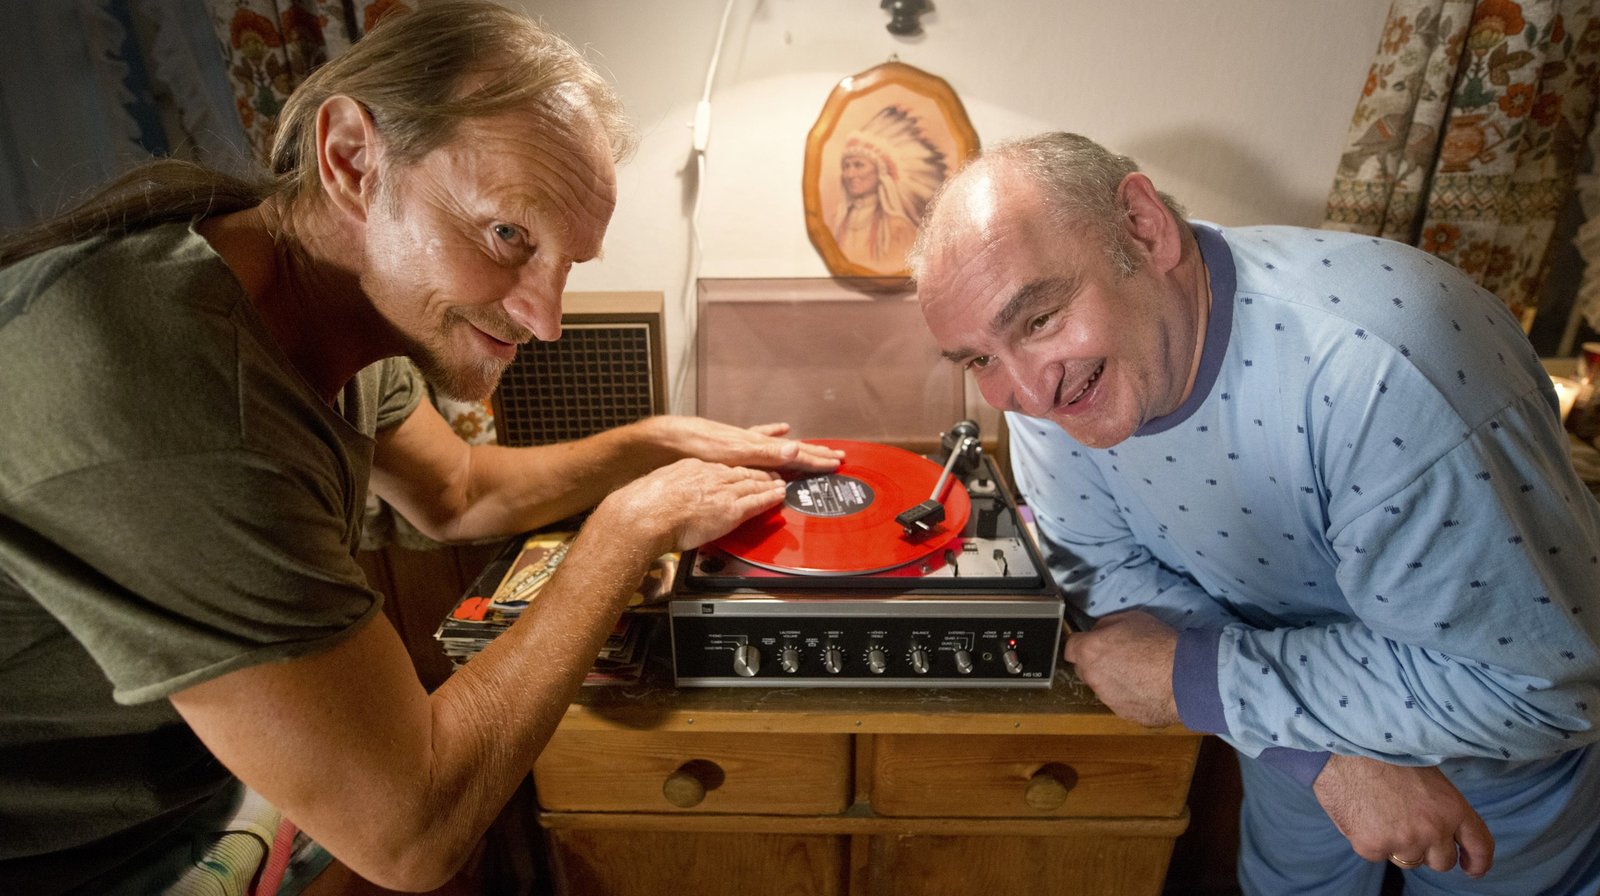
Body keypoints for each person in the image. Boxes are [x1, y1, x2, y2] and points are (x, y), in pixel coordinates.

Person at [0, 3, 843, 893]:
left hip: (189, 800)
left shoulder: (317, 303)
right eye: (509, 235)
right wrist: (628, 529)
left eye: (567, 264)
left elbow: (459, 490)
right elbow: (412, 831)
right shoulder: (174, 401)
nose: (546, 320)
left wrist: (651, 443)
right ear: (352, 160)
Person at [911, 132, 1600, 895]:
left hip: (1502, 771)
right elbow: (1106, 573)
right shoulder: (1058, 388)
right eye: (980, 358)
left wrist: (1193, 676)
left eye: (1039, 318)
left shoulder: (1385, 370)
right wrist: (1325, 759)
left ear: (1143, 227)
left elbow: (1541, 689)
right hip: (1284, 747)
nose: (1026, 396)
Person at [829, 104, 945, 273]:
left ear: (880, 172)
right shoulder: (838, 221)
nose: (850, 174)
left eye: (859, 165)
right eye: (846, 166)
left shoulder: (898, 228)